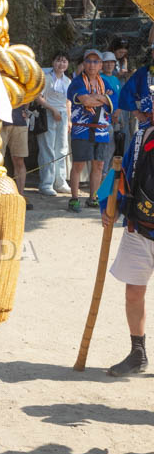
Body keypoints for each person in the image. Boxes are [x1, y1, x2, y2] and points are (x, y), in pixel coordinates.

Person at [103, 124, 153, 377]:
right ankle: (137, 353)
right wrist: (108, 204)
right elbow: (121, 172)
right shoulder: (140, 135)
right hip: (139, 226)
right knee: (133, 293)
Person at [67, 48, 117, 212]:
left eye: (96, 62)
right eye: (88, 61)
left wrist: (96, 98)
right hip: (82, 129)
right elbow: (86, 101)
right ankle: (74, 198)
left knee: (99, 165)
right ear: (84, 63)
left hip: (102, 131)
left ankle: (92, 197)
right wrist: (103, 98)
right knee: (79, 165)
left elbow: (114, 101)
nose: (92, 65)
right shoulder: (77, 82)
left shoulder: (105, 82)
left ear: (101, 65)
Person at [36, 52, 72, 196]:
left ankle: (60, 182)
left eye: (64, 61)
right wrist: (53, 110)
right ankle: (46, 183)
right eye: (58, 60)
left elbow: (68, 101)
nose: (61, 64)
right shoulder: (46, 78)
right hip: (48, 114)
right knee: (47, 149)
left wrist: (69, 120)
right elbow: (38, 97)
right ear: (53, 62)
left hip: (62, 116)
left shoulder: (68, 81)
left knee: (62, 149)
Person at [119, 42, 154, 133]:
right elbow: (126, 92)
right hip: (147, 121)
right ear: (152, 53)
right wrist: (136, 113)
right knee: (147, 147)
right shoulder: (143, 72)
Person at [5, 105, 33, 210]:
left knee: (19, 160)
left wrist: (26, 110)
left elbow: (29, 92)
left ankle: (20, 197)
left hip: (19, 120)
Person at [101, 51, 124, 168]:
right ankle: (103, 174)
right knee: (106, 147)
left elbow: (120, 98)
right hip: (104, 119)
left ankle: (108, 174)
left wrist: (118, 113)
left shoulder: (116, 79)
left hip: (116, 119)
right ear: (102, 64)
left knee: (114, 147)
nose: (109, 65)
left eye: (112, 62)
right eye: (106, 62)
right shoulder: (99, 78)